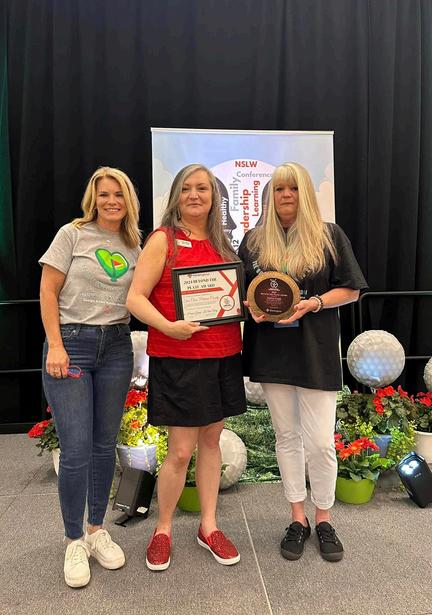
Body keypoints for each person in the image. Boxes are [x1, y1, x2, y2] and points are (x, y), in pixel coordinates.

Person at [238, 162, 367, 563]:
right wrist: (250, 309)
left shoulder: (329, 235)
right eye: (279, 189)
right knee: (287, 438)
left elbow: (352, 290)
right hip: (273, 353)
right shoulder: (254, 240)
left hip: (315, 352)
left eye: (293, 188)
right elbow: (241, 293)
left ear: (305, 193)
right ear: (270, 196)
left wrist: (314, 303)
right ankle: (298, 518)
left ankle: (324, 517)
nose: (286, 195)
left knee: (321, 443)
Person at [126, 163, 246, 571]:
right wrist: (167, 326)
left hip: (223, 355)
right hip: (179, 359)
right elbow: (135, 298)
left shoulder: (223, 243)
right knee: (179, 451)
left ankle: (208, 526)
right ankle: (163, 530)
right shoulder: (163, 239)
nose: (195, 195)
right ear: (177, 196)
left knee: (211, 442)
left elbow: (229, 298)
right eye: (188, 188)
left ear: (214, 197)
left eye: (203, 189)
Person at [39, 167, 141, 588]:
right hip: (72, 343)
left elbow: (146, 295)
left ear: (129, 200)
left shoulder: (135, 244)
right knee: (77, 448)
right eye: (104, 194)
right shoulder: (72, 234)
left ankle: (97, 531)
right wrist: (56, 345)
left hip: (116, 346)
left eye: (118, 194)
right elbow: (48, 291)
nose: (111, 201)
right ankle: (73, 539)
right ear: (93, 199)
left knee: (103, 446)